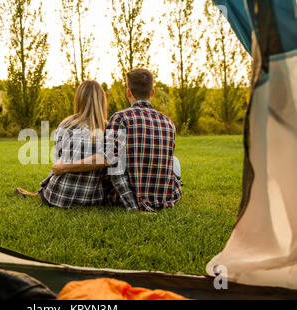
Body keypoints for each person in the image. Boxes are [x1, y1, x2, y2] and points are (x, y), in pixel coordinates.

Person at [53, 69, 182, 213]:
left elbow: (112, 165)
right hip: (165, 198)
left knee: (119, 160)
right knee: (174, 161)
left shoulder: (120, 118)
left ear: (128, 92)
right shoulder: (169, 123)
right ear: (152, 92)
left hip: (122, 196)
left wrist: (134, 208)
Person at [15, 80, 109, 208]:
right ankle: (39, 193)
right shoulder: (109, 128)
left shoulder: (66, 124)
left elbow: (58, 162)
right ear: (102, 101)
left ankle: (39, 193)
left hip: (59, 196)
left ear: (79, 100)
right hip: (92, 199)